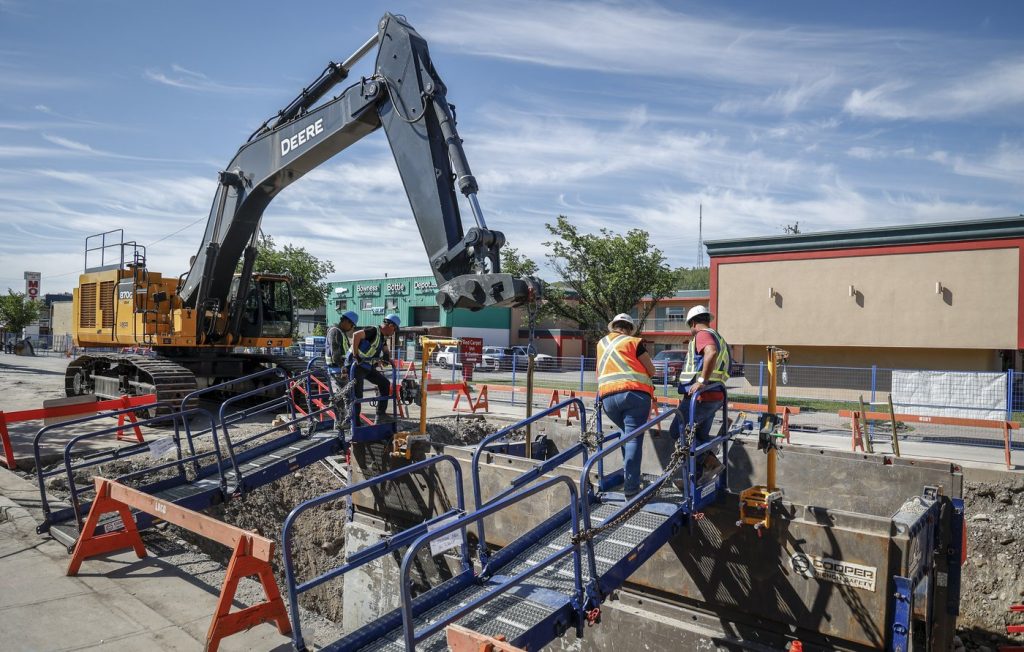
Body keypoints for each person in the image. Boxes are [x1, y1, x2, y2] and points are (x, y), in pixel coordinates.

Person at [597, 313, 657, 498]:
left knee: (625, 435)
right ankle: (631, 489)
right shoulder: (632, 342)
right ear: (629, 328)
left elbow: (599, 371)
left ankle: (628, 476)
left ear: (613, 326)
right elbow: (651, 369)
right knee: (633, 439)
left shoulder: (601, 344)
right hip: (633, 395)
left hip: (608, 398)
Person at [671, 305, 731, 488]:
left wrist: (702, 380)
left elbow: (710, 352)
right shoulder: (719, 336)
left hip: (700, 397)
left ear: (694, 323)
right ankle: (694, 479)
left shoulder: (702, 335)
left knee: (677, 431)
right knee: (699, 437)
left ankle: (712, 463)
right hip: (715, 396)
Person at [350, 313, 401, 424]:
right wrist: (355, 355)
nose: (393, 333)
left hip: (365, 366)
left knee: (385, 383)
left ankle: (380, 415)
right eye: (394, 330)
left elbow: (386, 350)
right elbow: (356, 335)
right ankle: (355, 423)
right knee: (357, 395)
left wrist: (386, 357)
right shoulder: (373, 330)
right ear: (391, 326)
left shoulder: (382, 338)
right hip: (355, 366)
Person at [325, 311, 359, 428]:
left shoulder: (340, 332)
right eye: (352, 325)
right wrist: (343, 367)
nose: (351, 328)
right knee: (344, 396)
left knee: (343, 396)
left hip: (339, 369)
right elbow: (335, 353)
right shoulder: (335, 331)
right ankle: (341, 422)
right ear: (346, 321)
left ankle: (340, 422)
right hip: (337, 369)